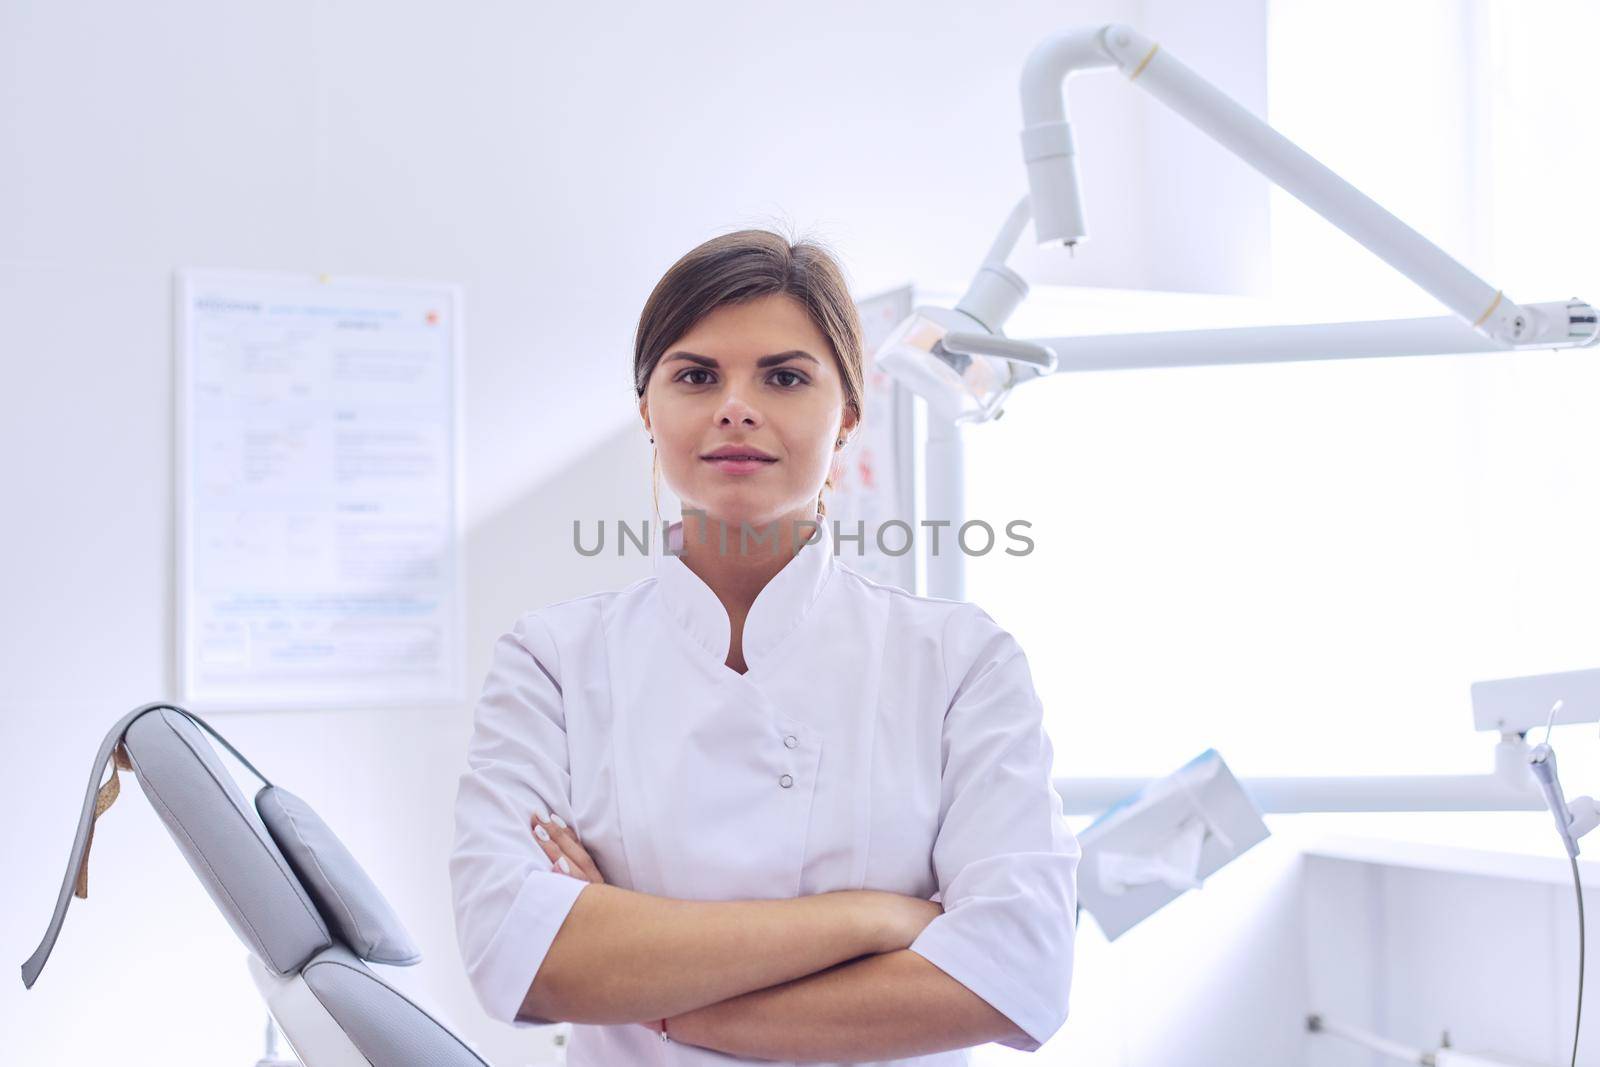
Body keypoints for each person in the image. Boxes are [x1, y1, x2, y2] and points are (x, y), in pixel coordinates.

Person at [449, 227, 1081, 1065]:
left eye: (784, 376)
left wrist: (652, 988)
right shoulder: (552, 663)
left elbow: (1019, 972)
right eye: (695, 375)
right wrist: (876, 918)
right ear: (648, 409)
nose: (735, 406)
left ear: (849, 414)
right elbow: (516, 959)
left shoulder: (961, 662)